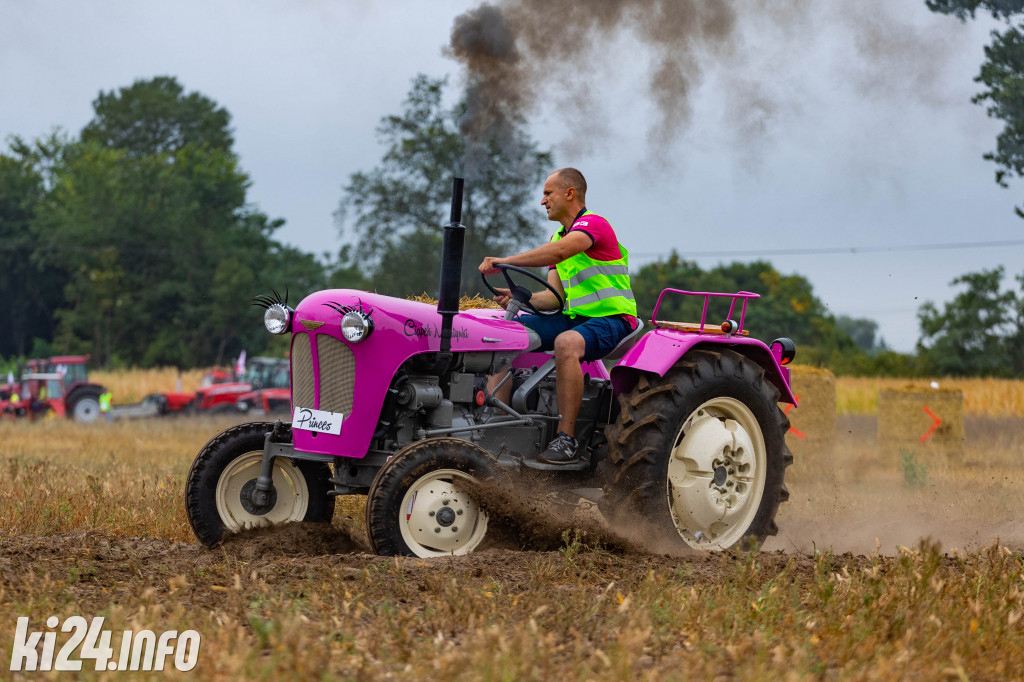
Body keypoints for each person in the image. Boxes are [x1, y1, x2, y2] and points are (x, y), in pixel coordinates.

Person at [478, 168, 637, 465]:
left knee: (566, 343)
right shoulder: (558, 235)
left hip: (612, 319)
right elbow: (553, 298)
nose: (542, 201)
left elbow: (558, 253)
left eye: (548, 193)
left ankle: (566, 440)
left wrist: (505, 261)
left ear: (570, 193)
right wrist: (518, 298)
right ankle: (498, 427)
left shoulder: (594, 225)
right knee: (500, 334)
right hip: (574, 318)